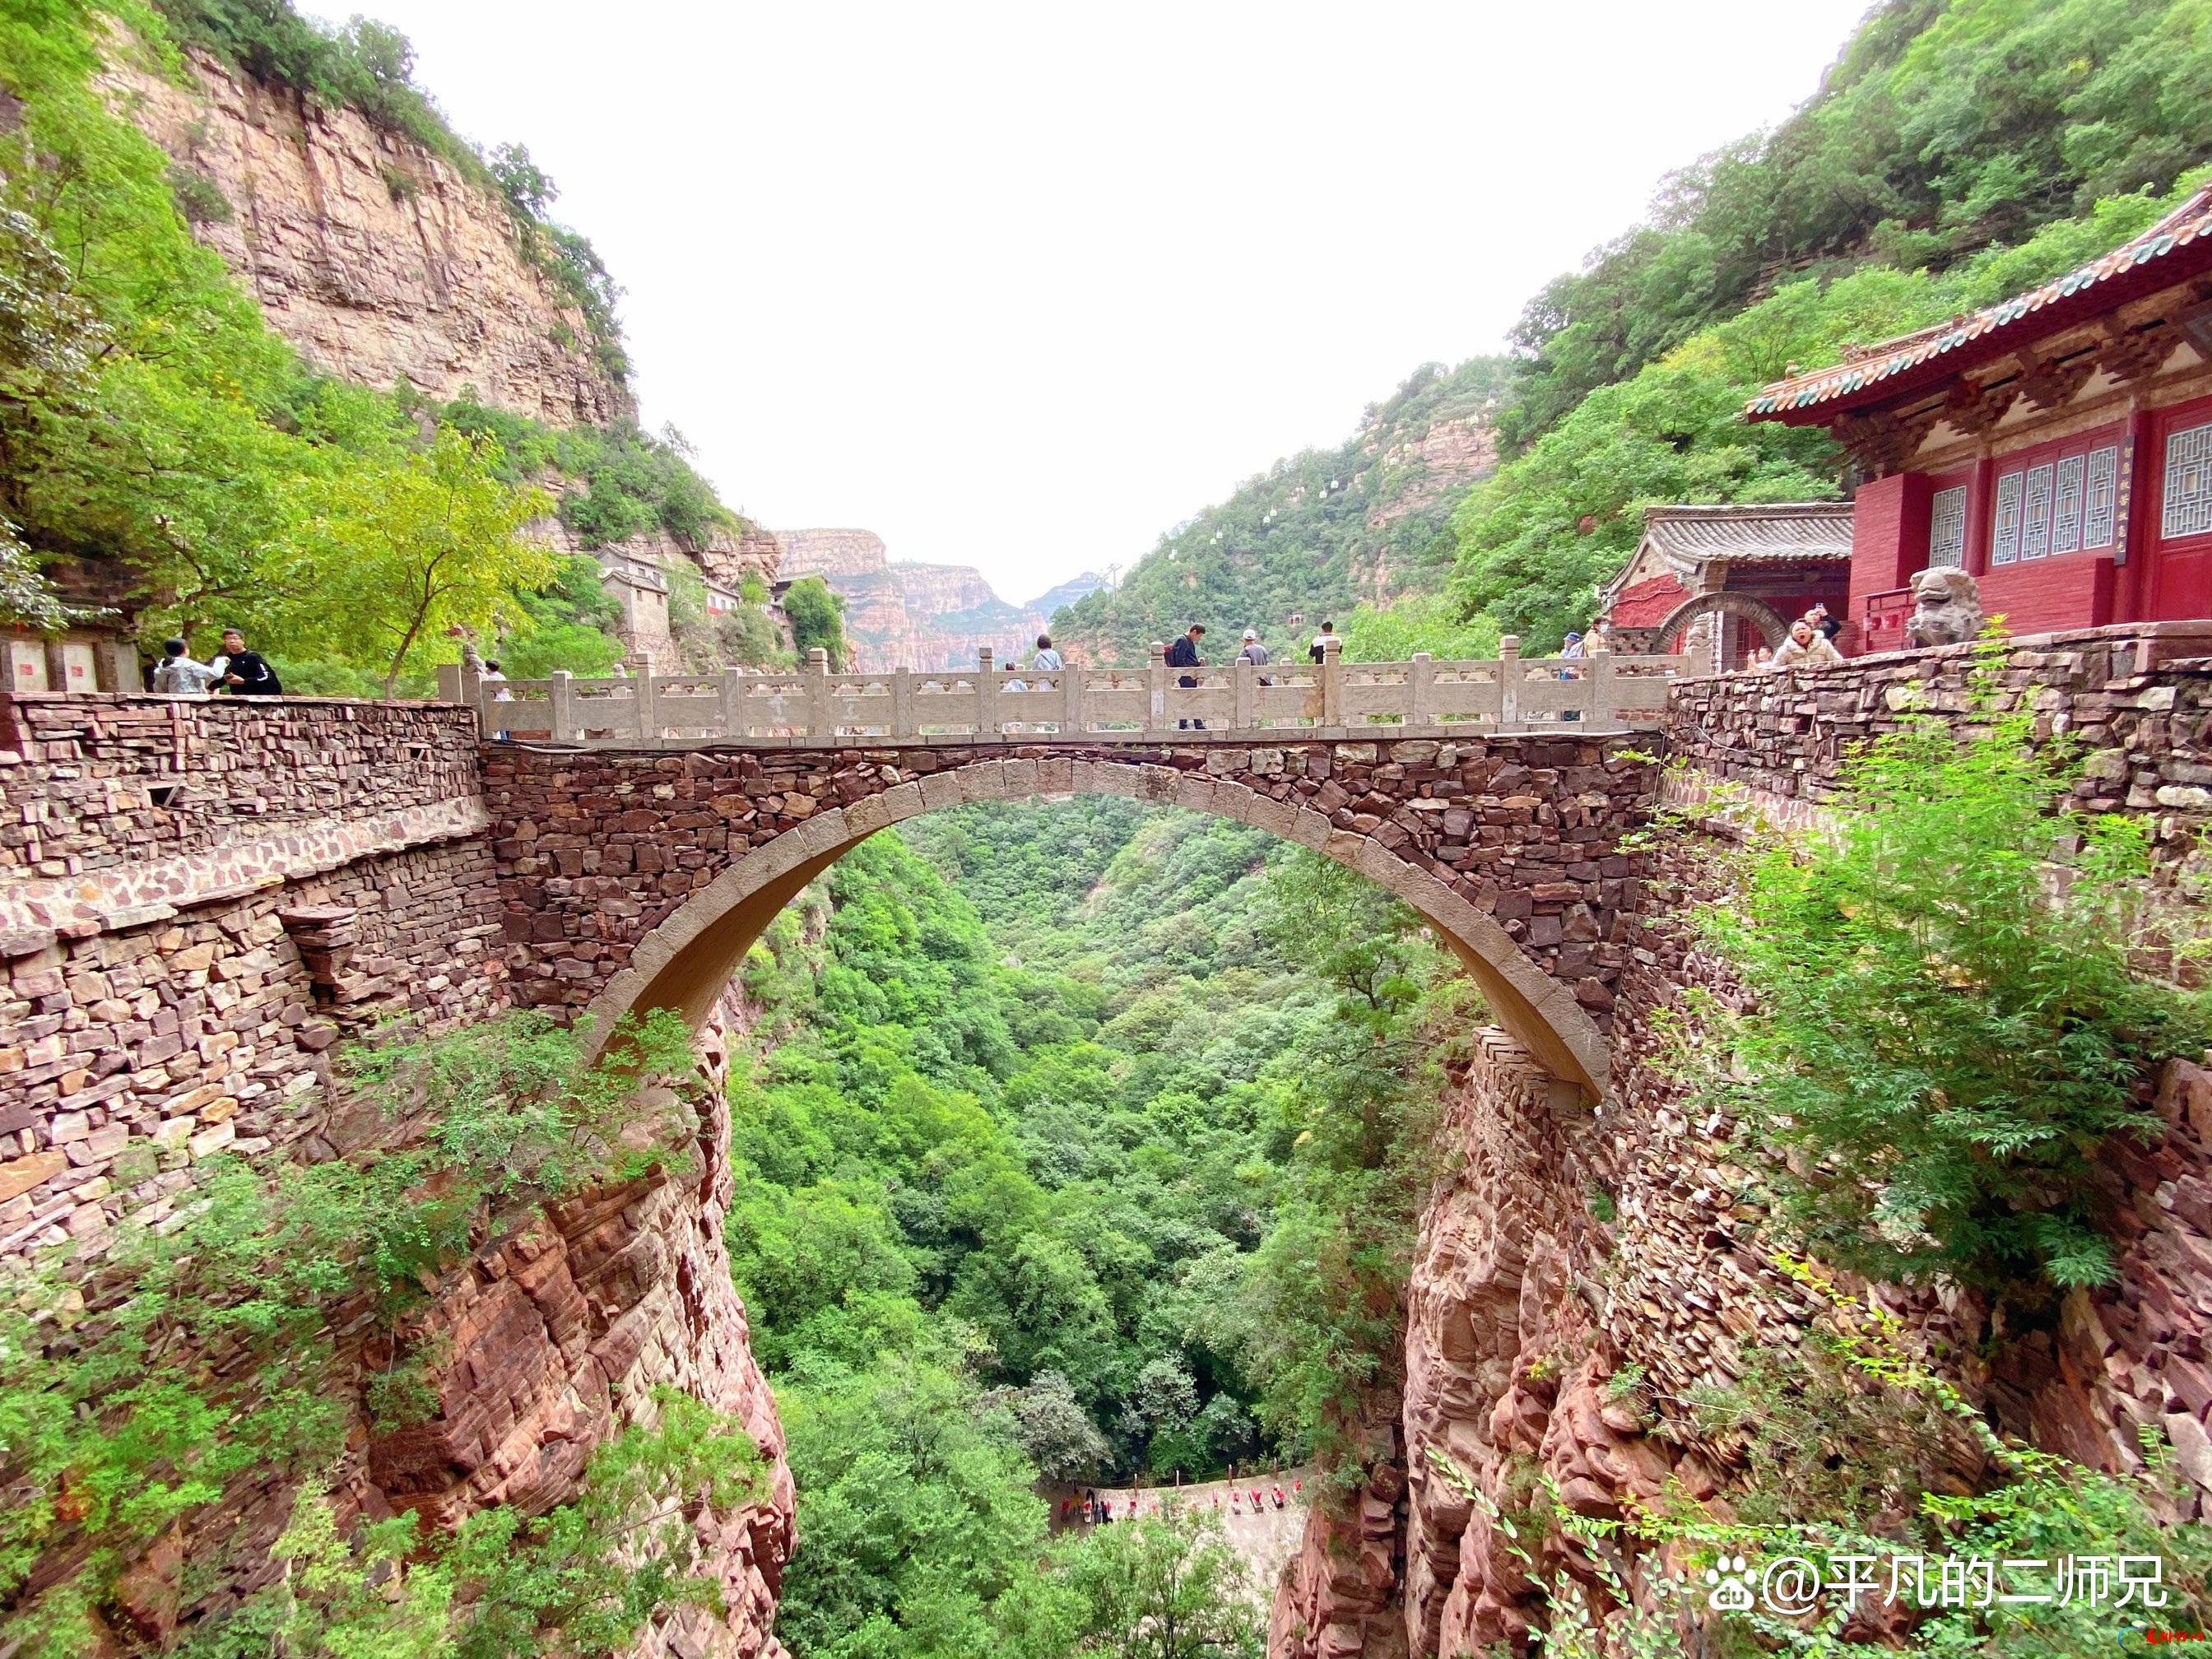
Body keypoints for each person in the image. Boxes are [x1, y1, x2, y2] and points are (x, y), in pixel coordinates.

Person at [213, 628, 281, 696]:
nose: (232, 641)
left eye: (235, 638)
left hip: (263, 697)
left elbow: (265, 677)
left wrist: (244, 681)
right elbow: (224, 679)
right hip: (240, 698)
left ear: (243, 641)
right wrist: (212, 687)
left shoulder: (252, 657)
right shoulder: (228, 659)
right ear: (224, 642)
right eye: (228, 639)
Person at [1165, 622, 1206, 729]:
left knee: (1188, 698)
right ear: (1194, 632)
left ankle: (1185, 724)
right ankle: (1197, 724)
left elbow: (1188, 659)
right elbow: (1180, 661)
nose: (1198, 639)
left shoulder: (1188, 641)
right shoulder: (1182, 640)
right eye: (1199, 636)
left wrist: (1197, 663)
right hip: (1185, 675)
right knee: (1190, 698)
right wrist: (1192, 665)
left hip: (1190, 674)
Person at [151, 638, 220, 696]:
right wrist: (220, 661)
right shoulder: (188, 664)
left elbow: (159, 687)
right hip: (192, 698)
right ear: (185, 650)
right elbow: (216, 674)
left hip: (172, 698)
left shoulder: (163, 665)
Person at [1771, 618, 1843, 669]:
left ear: (1811, 631)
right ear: (1792, 635)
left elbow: (1839, 662)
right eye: (1797, 630)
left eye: (1803, 629)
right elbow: (1775, 669)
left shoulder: (1824, 644)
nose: (1801, 631)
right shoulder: (1785, 649)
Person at [483, 658, 514, 741]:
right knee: (506, 721)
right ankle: (508, 740)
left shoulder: (489, 678)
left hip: (498, 699)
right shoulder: (501, 676)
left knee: (499, 722)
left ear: (488, 668)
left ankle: (504, 740)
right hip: (506, 698)